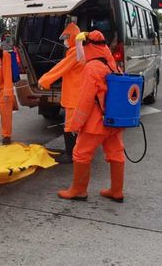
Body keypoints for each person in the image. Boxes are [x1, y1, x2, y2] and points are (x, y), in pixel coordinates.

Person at [58, 30, 125, 203]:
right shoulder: (112, 63)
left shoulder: (91, 67)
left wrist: (75, 124)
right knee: (116, 153)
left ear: (88, 46)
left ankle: (79, 190)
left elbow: (86, 100)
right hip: (114, 120)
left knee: (80, 154)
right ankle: (117, 191)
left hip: (96, 122)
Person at [38, 22, 84, 163]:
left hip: (74, 96)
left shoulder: (75, 53)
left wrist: (43, 81)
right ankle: (75, 152)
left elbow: (60, 68)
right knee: (74, 125)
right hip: (77, 94)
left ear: (72, 38)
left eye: (66, 38)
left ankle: (71, 155)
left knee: (70, 125)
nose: (64, 41)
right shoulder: (79, 51)